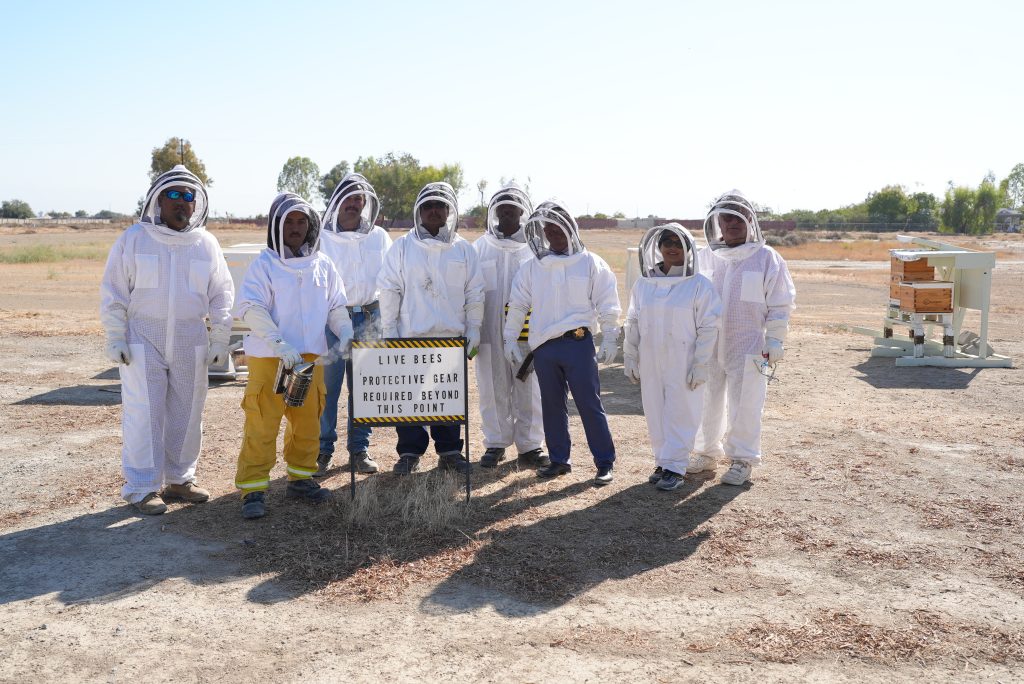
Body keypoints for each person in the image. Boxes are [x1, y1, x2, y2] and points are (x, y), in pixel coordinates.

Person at [100, 165, 234, 515]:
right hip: (144, 335)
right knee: (145, 412)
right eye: (173, 195)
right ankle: (142, 487)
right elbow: (114, 291)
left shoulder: (206, 244)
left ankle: (179, 479)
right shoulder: (134, 239)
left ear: (196, 204)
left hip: (192, 337)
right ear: (158, 200)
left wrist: (220, 337)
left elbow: (222, 293)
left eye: (188, 197)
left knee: (188, 412)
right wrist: (115, 335)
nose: (181, 203)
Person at [233, 193, 353, 519]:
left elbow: (336, 306)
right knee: (262, 422)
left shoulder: (322, 265)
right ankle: (254, 489)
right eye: (290, 222)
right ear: (277, 225)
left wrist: (345, 331)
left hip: (310, 358)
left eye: (302, 221)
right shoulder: (264, 265)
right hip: (270, 357)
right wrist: (278, 343)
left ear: (311, 225)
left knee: (308, 420)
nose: (296, 227)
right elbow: (251, 308)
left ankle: (301, 477)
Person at [503, 200, 621, 485]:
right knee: (551, 406)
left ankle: (604, 462)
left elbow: (607, 302)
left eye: (559, 229)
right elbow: (518, 304)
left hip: (578, 344)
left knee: (589, 404)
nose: (554, 235)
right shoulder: (533, 267)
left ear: (571, 229)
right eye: (549, 230)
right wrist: (510, 337)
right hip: (544, 347)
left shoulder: (590, 262)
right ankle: (558, 460)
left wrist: (610, 336)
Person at [377, 182, 484, 475]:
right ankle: (409, 452)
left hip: (450, 339)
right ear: (419, 212)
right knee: (410, 400)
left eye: (439, 206)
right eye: (428, 206)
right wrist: (389, 332)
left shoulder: (464, 249)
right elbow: (389, 289)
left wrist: (474, 328)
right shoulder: (401, 247)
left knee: (446, 397)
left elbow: (475, 292)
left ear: (449, 211)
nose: (434, 211)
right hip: (411, 336)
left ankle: (449, 451)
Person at [690, 190, 796, 486]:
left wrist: (775, 339)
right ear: (717, 223)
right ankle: (706, 452)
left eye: (738, 216)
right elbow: (691, 298)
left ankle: (743, 459)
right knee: (706, 400)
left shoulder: (767, 258)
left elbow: (780, 303)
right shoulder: (705, 257)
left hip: (751, 346)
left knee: (747, 403)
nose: (732, 223)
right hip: (709, 346)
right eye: (726, 217)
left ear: (750, 220)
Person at [623, 224, 721, 491]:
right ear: (658, 246)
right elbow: (632, 321)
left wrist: (700, 364)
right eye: (667, 241)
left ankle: (676, 467)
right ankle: (663, 461)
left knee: (681, 412)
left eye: (678, 241)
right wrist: (630, 355)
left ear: (688, 248)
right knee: (655, 411)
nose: (672, 246)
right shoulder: (644, 283)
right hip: (651, 358)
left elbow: (708, 327)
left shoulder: (699, 285)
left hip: (684, 360)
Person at [315, 173, 393, 478]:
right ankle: (323, 450)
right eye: (348, 198)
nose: (353, 204)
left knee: (365, 388)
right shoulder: (321, 236)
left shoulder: (379, 237)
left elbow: (390, 281)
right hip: (331, 320)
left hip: (371, 318)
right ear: (337, 201)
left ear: (366, 203)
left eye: (359, 199)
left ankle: (359, 450)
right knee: (328, 388)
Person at [472, 183, 548, 469]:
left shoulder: (535, 247)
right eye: (501, 206)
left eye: (512, 206)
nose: (507, 211)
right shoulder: (480, 247)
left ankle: (530, 446)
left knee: (528, 388)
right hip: (488, 332)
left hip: (527, 335)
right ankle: (495, 442)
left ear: (521, 211)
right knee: (492, 388)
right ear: (494, 211)